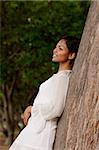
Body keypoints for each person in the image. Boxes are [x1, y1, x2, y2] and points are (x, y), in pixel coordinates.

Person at [9, 36, 80, 150]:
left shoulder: (63, 79)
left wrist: (32, 109)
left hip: (40, 136)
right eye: (56, 47)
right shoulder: (58, 77)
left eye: (60, 48)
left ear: (71, 55)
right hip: (34, 132)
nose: (55, 50)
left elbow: (56, 109)